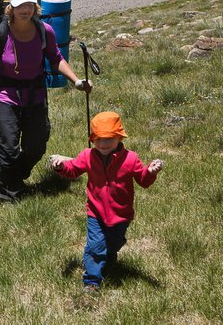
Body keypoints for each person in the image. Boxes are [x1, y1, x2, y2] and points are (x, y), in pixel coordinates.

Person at [0, 0, 91, 202]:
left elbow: (56, 58)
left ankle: (16, 177)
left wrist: (76, 80)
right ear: (11, 7)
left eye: (30, 5)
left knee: (37, 146)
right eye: (21, 5)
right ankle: (8, 196)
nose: (26, 9)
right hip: (6, 97)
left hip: (35, 95)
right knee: (9, 148)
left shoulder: (44, 31)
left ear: (35, 6)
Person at [49, 111, 164, 293]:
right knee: (95, 245)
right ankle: (92, 282)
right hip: (95, 212)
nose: (102, 144)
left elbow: (143, 180)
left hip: (121, 214)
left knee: (114, 243)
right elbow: (74, 170)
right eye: (98, 139)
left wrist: (150, 172)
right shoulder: (88, 156)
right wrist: (62, 167)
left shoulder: (130, 158)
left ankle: (110, 254)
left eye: (108, 139)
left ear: (119, 137)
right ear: (93, 139)